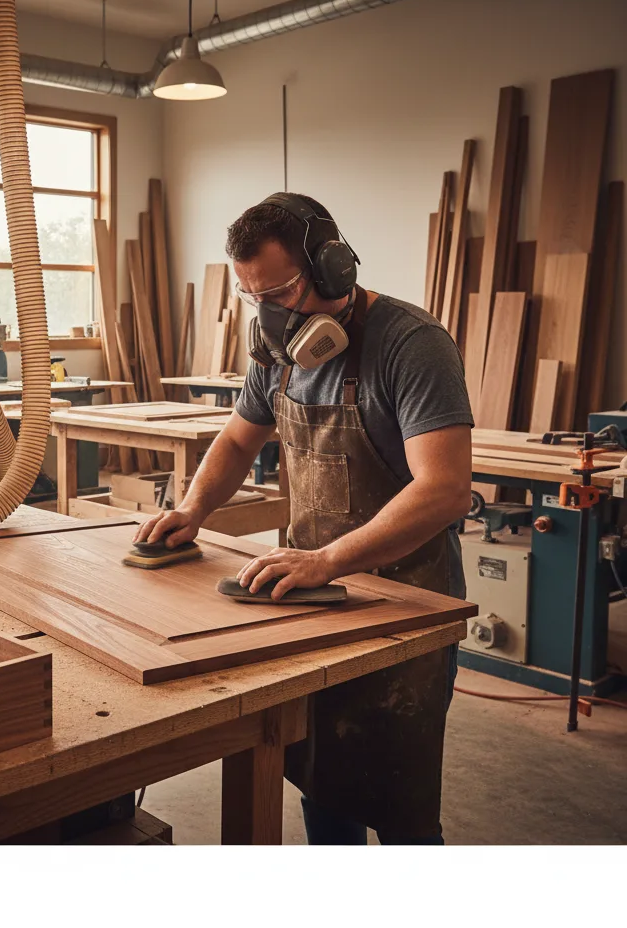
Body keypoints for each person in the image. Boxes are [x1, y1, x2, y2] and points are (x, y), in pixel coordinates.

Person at [134, 193, 473, 845]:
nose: (272, 314)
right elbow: (237, 440)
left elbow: (446, 490)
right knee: (324, 788)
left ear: (333, 266)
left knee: (401, 808)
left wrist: (327, 559)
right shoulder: (277, 355)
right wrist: (191, 511)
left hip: (407, 608)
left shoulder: (411, 345)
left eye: (283, 292)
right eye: (253, 295)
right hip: (315, 599)